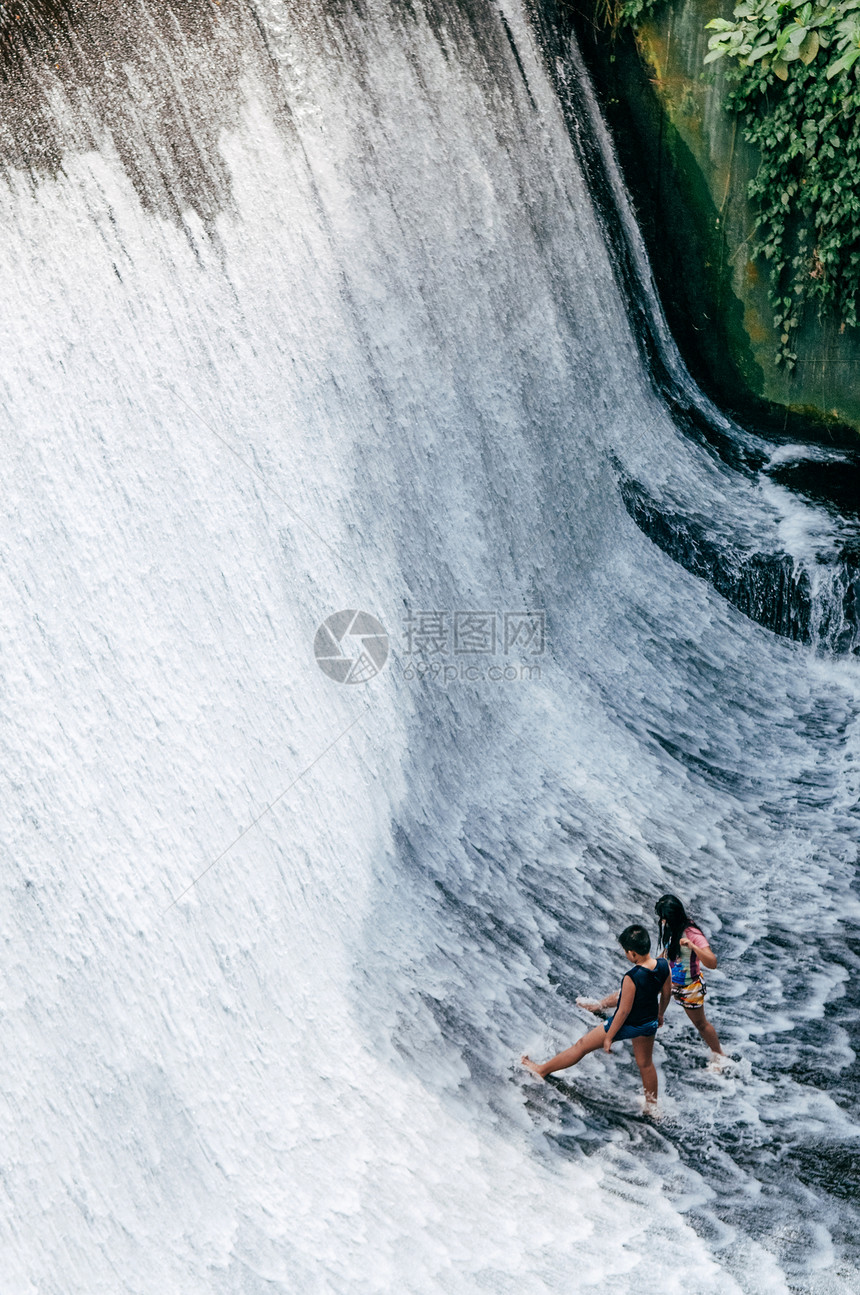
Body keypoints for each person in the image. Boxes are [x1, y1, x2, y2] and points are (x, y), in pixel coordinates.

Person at [522, 924, 671, 1103]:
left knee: (582, 1045)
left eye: (625, 951)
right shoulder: (663, 965)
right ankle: (652, 1106)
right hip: (649, 1022)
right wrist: (660, 1014)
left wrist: (609, 1037)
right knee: (646, 1064)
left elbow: (623, 1011)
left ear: (632, 953)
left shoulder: (632, 977)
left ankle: (542, 1070)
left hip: (629, 1024)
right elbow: (667, 992)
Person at [654, 893, 724, 1057]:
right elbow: (667, 952)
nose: (662, 921)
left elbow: (712, 963)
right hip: (669, 979)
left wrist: (692, 946)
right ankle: (600, 1006)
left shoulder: (692, 933)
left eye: (663, 918)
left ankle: (719, 1055)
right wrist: (650, 965)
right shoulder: (672, 928)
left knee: (701, 1024)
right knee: (637, 985)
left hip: (689, 987)